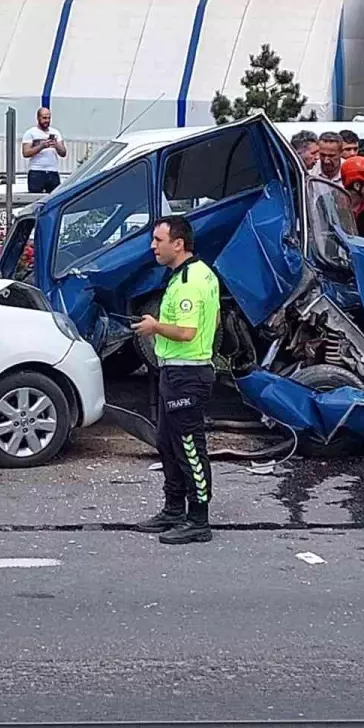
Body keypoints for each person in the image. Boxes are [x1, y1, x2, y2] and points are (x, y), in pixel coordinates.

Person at [131, 215, 221, 546]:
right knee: (167, 443)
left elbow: (186, 331)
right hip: (175, 371)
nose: (153, 246)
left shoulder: (190, 282)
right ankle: (173, 510)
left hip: (187, 372)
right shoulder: (187, 274)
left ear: (178, 243)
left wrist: (154, 327)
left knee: (188, 446)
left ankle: (198, 520)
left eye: (158, 240)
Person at [21, 107, 66, 194]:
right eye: (44, 118)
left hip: (52, 172)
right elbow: (26, 153)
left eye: (49, 118)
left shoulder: (56, 133)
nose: (47, 120)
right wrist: (42, 146)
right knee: (35, 198)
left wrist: (56, 145)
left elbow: (63, 153)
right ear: (38, 118)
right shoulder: (31, 133)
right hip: (36, 172)